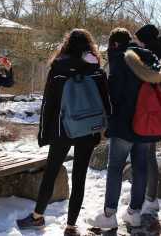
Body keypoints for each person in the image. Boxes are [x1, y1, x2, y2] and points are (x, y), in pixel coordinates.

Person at [16, 29, 111, 236]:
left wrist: (43, 133)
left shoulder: (58, 68)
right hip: (89, 129)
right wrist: (107, 126)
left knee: (51, 173)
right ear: (89, 46)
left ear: (67, 45)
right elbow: (106, 102)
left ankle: (38, 217)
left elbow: (48, 103)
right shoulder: (97, 71)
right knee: (79, 178)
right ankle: (71, 226)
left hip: (62, 129)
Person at [89, 28, 161, 229]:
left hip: (124, 123)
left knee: (115, 168)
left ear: (114, 44)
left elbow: (114, 94)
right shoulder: (149, 57)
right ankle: (134, 212)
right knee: (140, 167)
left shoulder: (119, 59)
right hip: (147, 124)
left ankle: (109, 214)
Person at [134, 24, 161, 215]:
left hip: (148, 112)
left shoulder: (149, 57)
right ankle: (150, 197)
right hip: (159, 112)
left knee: (145, 156)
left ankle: (148, 198)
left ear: (145, 40)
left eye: (139, 39)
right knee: (150, 156)